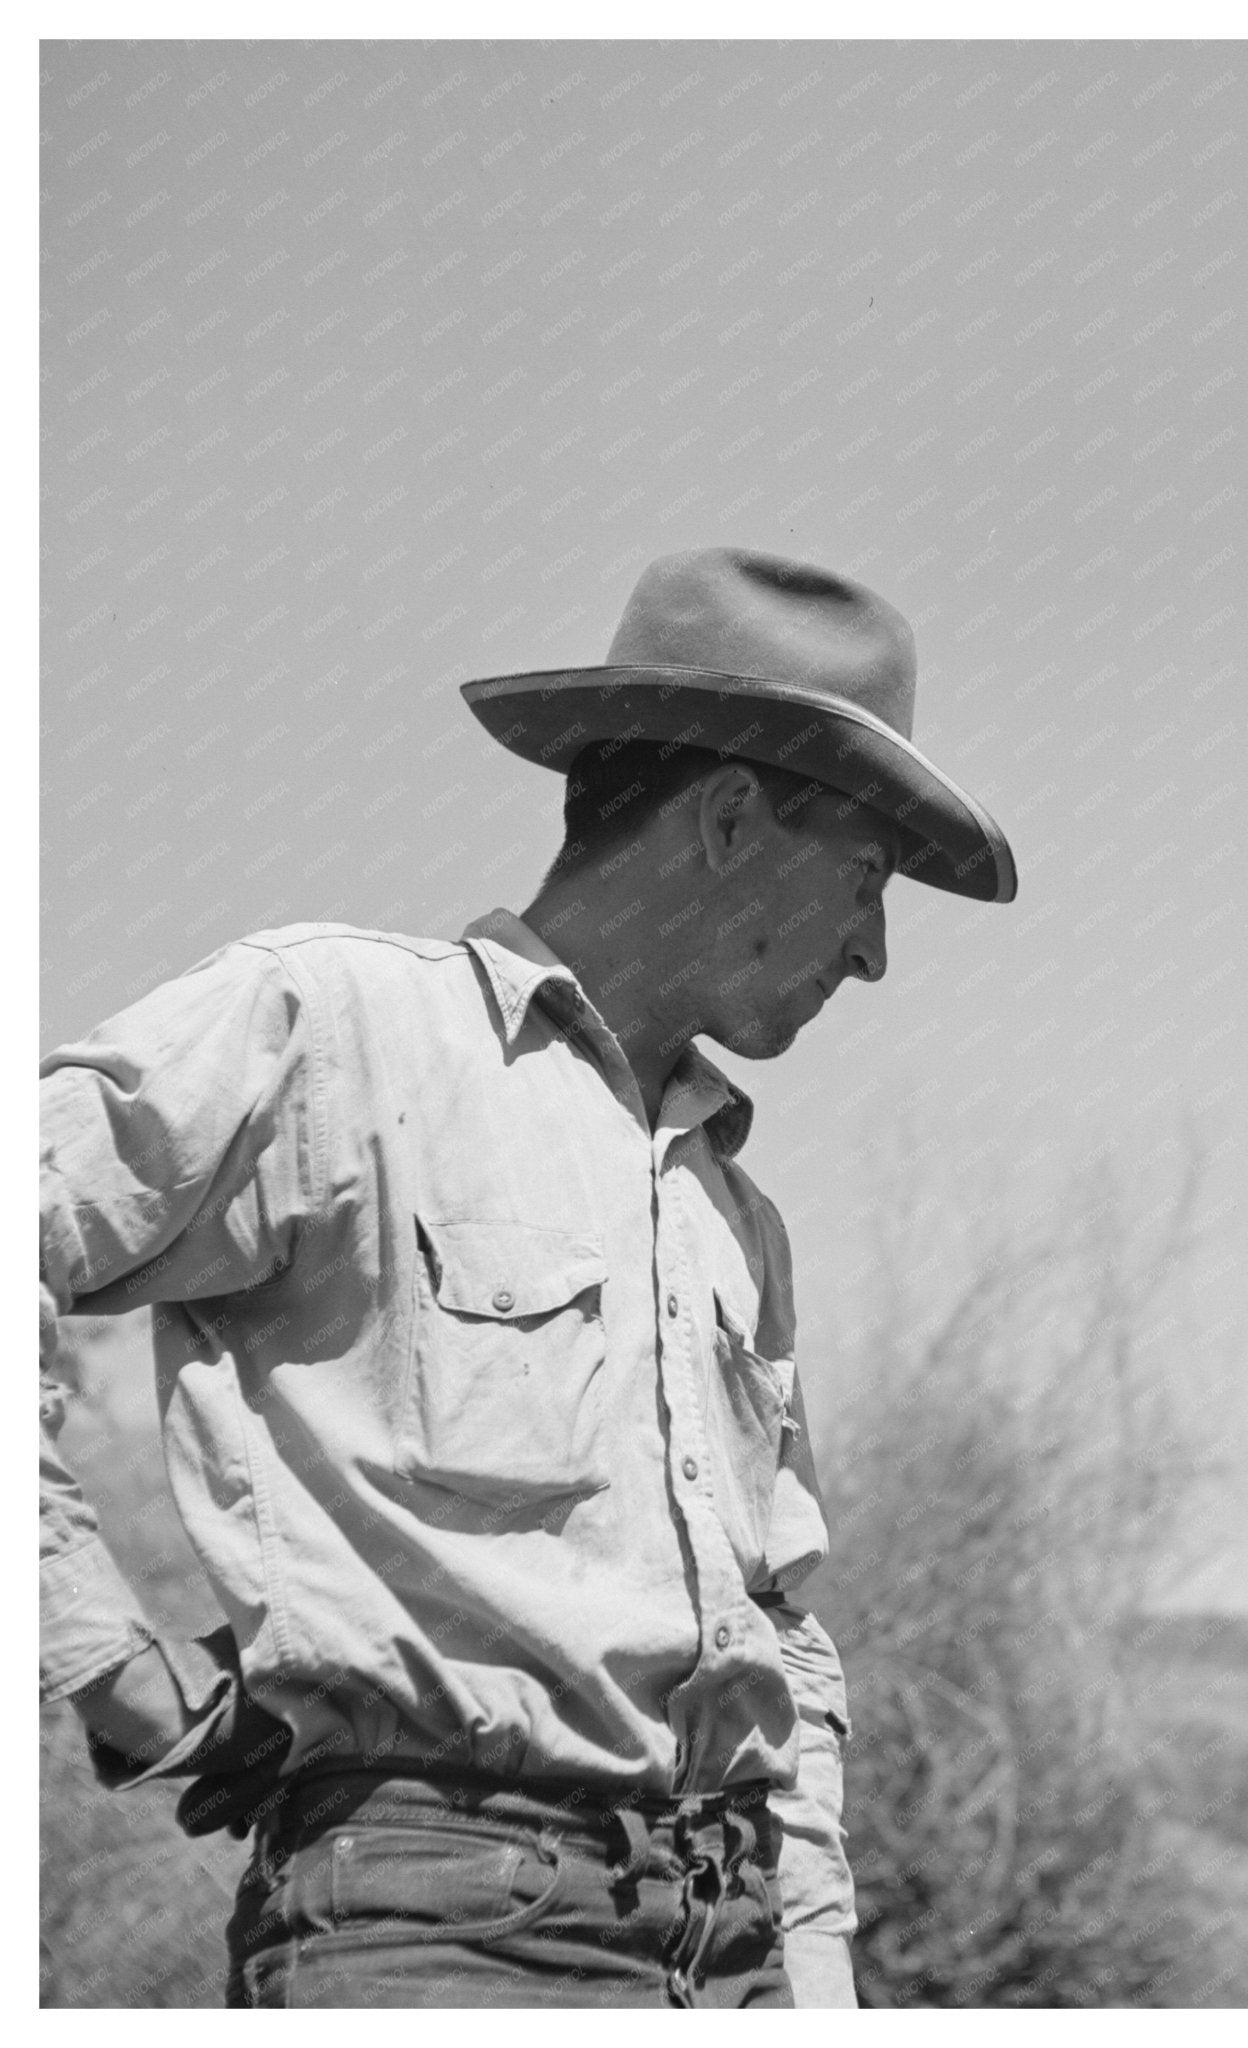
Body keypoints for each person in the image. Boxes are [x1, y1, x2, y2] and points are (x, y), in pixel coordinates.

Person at [39, 548, 1017, 2007]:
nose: (873, 952)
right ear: (732, 819)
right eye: (866, 881)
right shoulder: (336, 1032)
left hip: (740, 1952)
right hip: (438, 1941)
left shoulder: (731, 1215)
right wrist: (92, 1648)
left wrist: (815, 1975)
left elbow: (780, 1640)